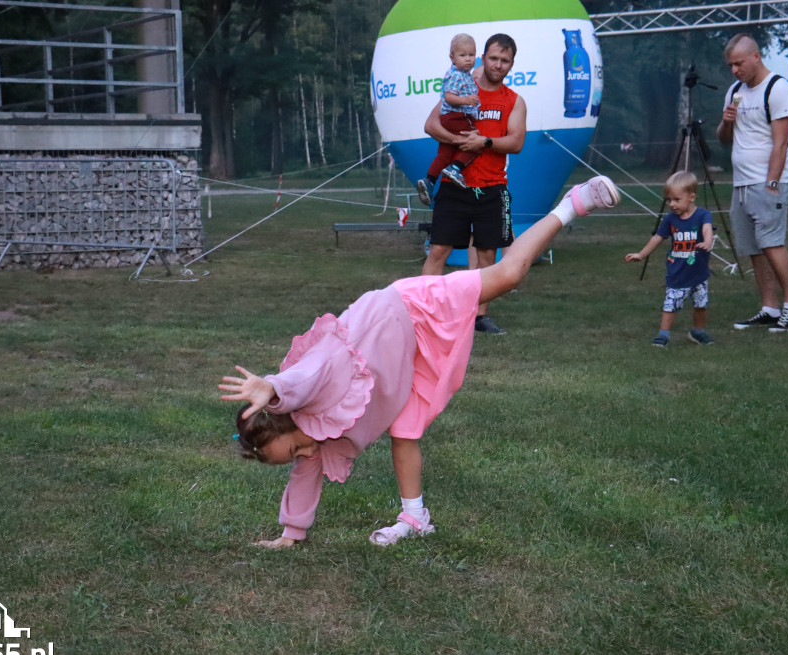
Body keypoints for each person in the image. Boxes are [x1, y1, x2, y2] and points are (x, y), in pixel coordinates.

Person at [218, 176, 621, 549]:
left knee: (508, 274)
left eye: (292, 452)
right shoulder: (312, 439)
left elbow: (302, 376)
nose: (304, 458)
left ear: (284, 418)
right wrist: (291, 535)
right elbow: (303, 476)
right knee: (404, 430)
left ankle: (572, 204)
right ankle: (415, 518)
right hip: (403, 357)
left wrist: (272, 388)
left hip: (411, 307)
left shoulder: (309, 388)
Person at [420, 33, 528, 336]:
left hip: (492, 188)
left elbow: (516, 142)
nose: (498, 64)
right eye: (493, 58)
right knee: (439, 249)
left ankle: (478, 316)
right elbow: (431, 125)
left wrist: (486, 141)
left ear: (511, 64)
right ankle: (425, 312)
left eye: (504, 61)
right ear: (482, 57)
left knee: (485, 254)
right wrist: (460, 142)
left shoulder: (514, 101)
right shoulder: (463, 87)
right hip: (455, 185)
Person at [716, 33, 788, 333]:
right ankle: (769, 307)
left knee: (771, 242)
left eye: (738, 63)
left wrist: (772, 183)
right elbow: (724, 140)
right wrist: (726, 121)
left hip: (767, 181)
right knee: (753, 247)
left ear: (756, 57)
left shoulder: (778, 89)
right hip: (741, 182)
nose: (734, 70)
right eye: (730, 65)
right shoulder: (734, 91)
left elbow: (781, 144)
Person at [625, 171, 715, 348]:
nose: (672, 204)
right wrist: (641, 254)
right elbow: (657, 238)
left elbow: (707, 230)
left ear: (691, 197)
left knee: (701, 304)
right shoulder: (670, 219)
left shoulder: (703, 215)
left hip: (699, 273)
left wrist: (707, 242)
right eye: (669, 200)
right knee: (671, 304)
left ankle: (698, 332)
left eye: (676, 199)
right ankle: (663, 335)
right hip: (678, 272)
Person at [415, 33, 481, 206]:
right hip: (457, 117)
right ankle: (456, 168)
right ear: (452, 57)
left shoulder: (464, 74)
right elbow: (449, 97)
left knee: (444, 154)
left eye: (472, 55)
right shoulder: (456, 75)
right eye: (463, 55)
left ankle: (429, 181)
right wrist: (466, 100)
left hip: (450, 120)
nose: (468, 59)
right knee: (475, 141)